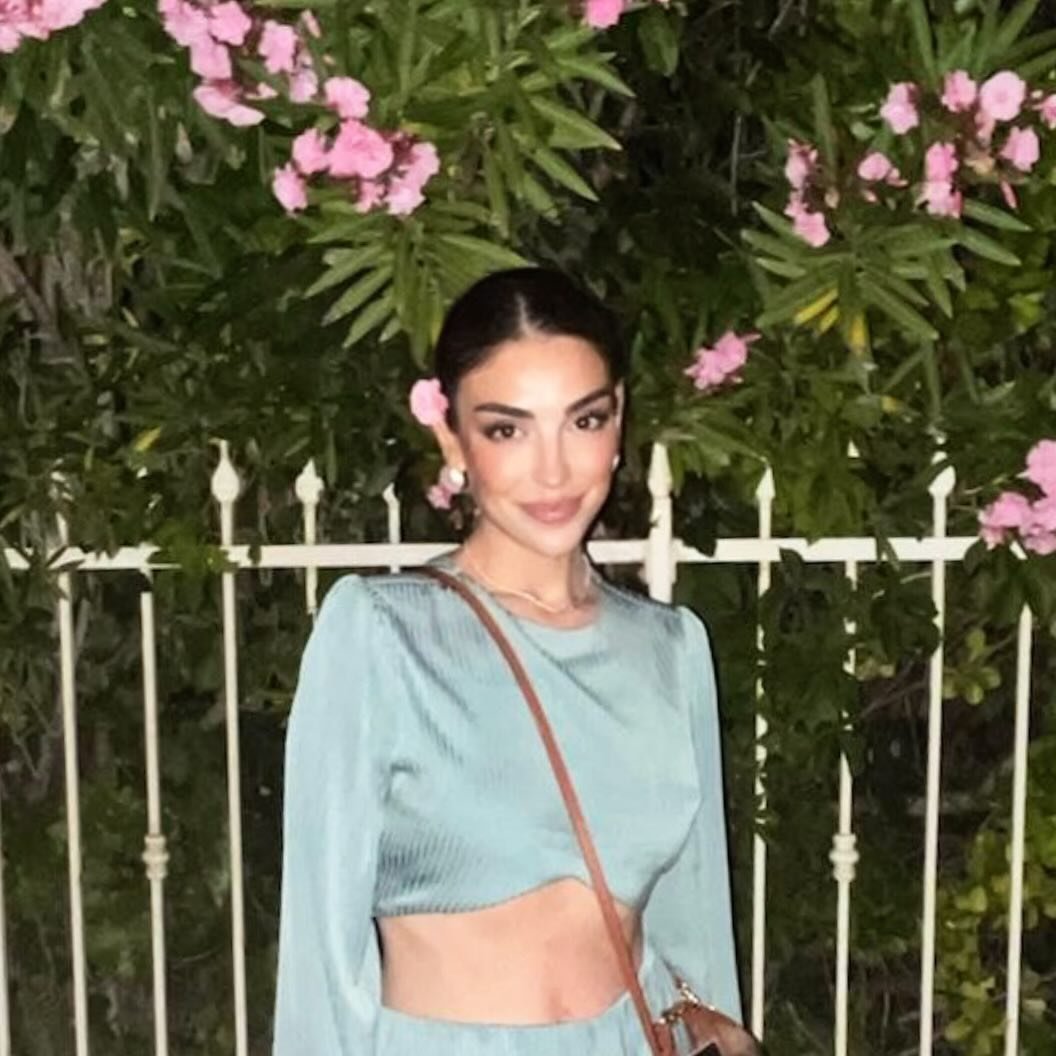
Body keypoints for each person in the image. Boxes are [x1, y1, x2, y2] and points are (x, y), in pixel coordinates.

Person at [272, 268, 744, 1055]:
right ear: (451, 436)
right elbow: (320, 959)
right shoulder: (383, 636)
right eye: (507, 430)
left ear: (619, 417)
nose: (553, 471)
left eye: (584, 420)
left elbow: (694, 936)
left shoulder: (671, 649)